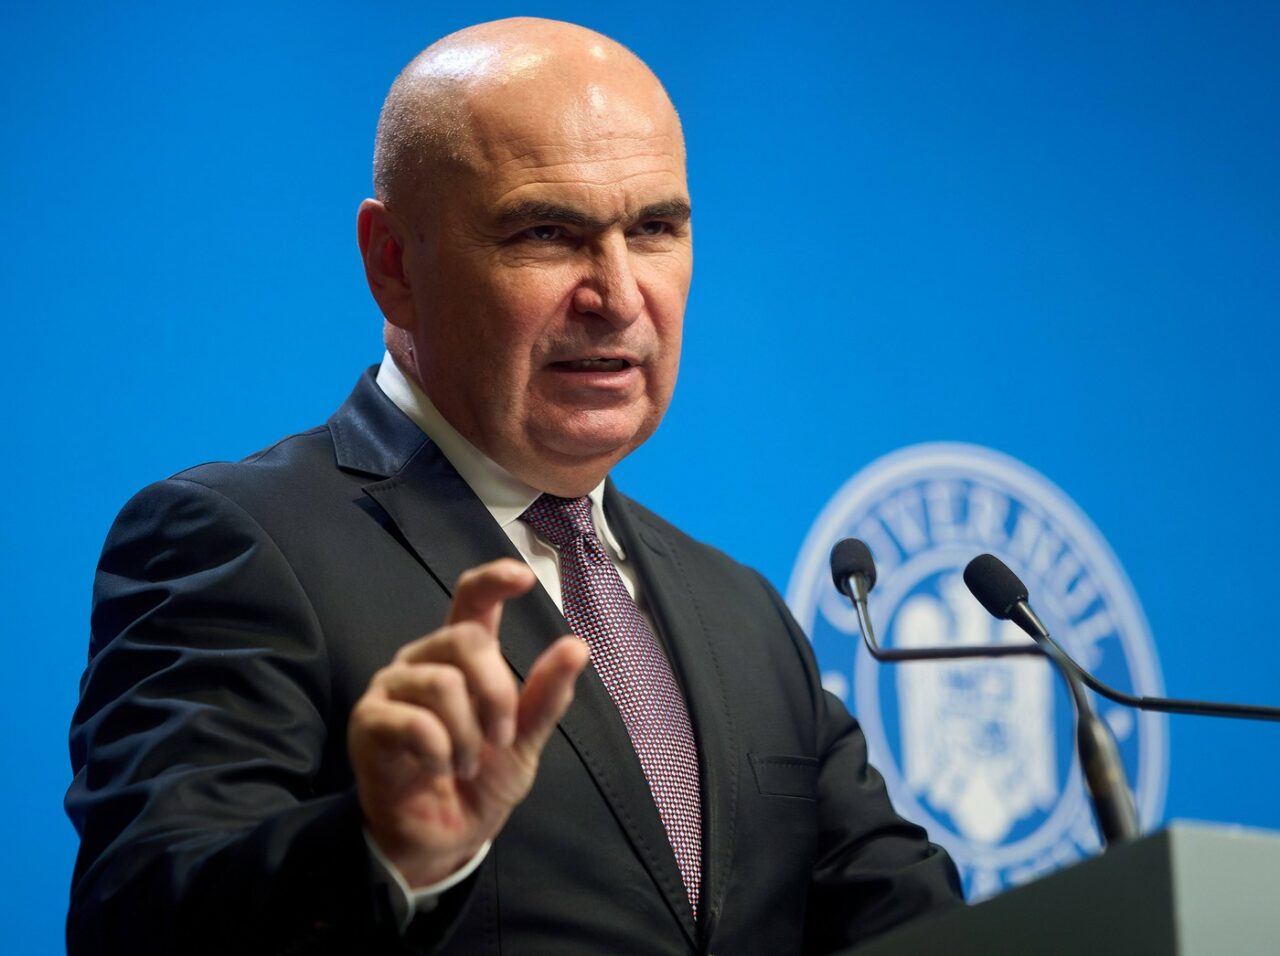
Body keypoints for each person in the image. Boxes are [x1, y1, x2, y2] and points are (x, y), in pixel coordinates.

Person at [66, 17, 962, 955]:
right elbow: (142, 917)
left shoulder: (742, 612)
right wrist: (385, 852)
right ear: (394, 263)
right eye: (547, 233)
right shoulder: (239, 543)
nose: (619, 296)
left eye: (654, 229)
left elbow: (909, 918)